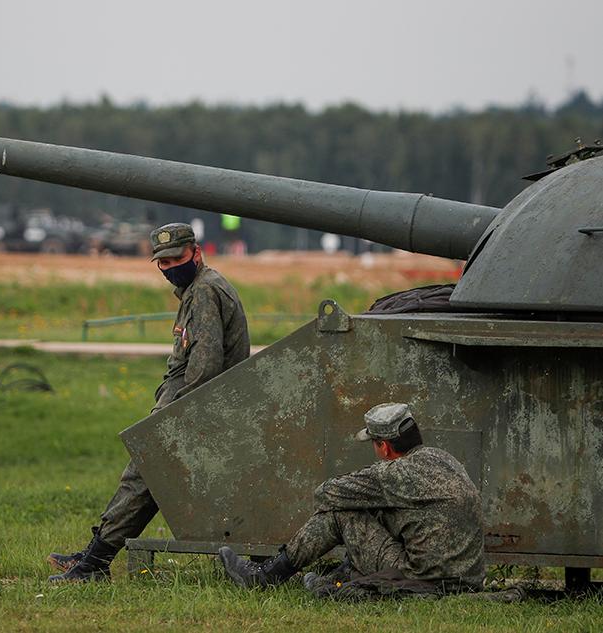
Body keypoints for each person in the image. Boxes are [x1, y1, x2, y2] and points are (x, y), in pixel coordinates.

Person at [47, 222, 250, 582]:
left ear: (196, 253)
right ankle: (96, 555)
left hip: (196, 410)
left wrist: (171, 421)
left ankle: (94, 562)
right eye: (163, 262)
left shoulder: (205, 291)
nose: (170, 267)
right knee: (141, 479)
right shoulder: (197, 288)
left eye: (177, 258)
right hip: (193, 408)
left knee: (140, 477)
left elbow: (204, 368)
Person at [219, 403, 484, 595]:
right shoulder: (443, 458)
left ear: (384, 446)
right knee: (384, 512)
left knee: (341, 513)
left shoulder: (393, 473)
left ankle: (265, 577)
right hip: (467, 578)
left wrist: (363, 491)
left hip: (424, 579)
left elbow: (325, 494)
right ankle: (339, 575)